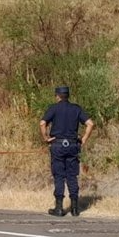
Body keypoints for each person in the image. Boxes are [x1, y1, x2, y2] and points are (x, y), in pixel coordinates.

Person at [39, 85, 94, 217]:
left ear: (57, 96)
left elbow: (42, 123)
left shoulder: (54, 108)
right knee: (72, 176)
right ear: (68, 96)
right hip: (73, 145)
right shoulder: (76, 108)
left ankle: (59, 208)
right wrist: (84, 139)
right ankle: (75, 209)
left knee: (59, 176)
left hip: (57, 145)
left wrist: (46, 138)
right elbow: (90, 124)